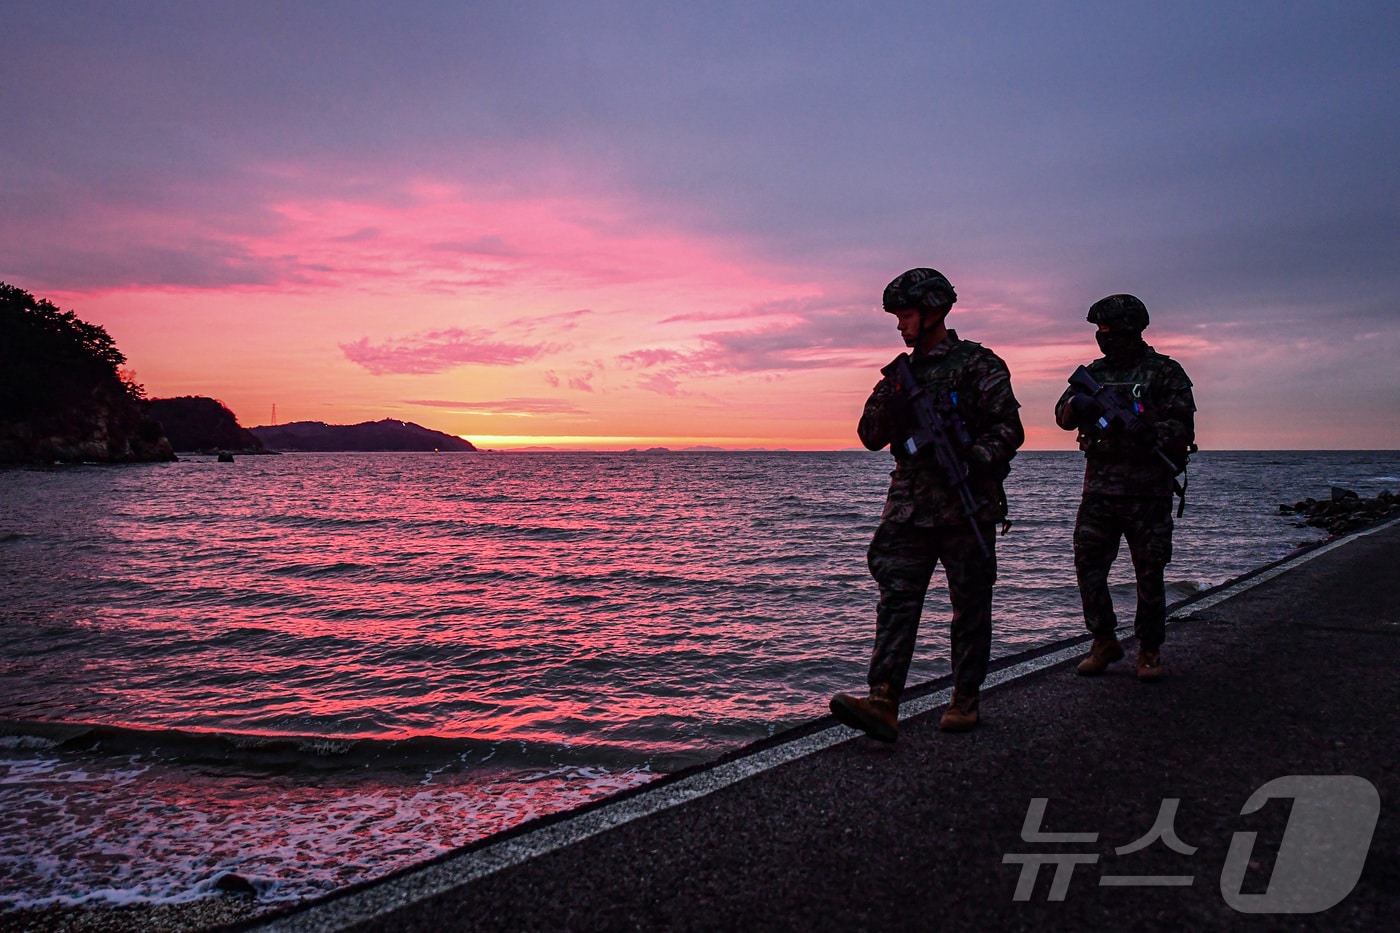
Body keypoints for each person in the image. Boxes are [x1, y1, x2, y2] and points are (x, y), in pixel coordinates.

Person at [830, 268, 1024, 740]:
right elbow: (869, 436)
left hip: (965, 504)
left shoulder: (980, 365)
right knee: (896, 600)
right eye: (898, 316)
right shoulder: (900, 375)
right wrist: (896, 407)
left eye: (908, 315)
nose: (901, 325)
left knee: (970, 604)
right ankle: (883, 700)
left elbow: (1009, 429)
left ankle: (965, 698)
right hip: (910, 508)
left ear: (934, 311)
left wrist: (972, 456)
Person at [1054, 294, 1195, 681]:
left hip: (1148, 492)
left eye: (1109, 331)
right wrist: (1082, 407)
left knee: (1149, 571)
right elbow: (1062, 416)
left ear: (1130, 330)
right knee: (1088, 564)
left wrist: (1150, 430)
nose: (1103, 338)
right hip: (1100, 489)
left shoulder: (1164, 373)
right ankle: (1103, 639)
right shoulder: (1094, 374)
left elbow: (1183, 426)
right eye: (1099, 331)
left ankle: (1149, 650)